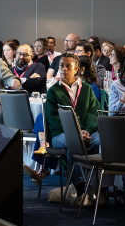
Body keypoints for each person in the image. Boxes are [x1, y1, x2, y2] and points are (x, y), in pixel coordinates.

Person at [43, 54, 101, 197]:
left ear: (76, 69)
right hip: (60, 134)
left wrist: (86, 130)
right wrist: (76, 132)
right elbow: (54, 119)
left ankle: (93, 184)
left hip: (85, 133)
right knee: (73, 141)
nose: (64, 69)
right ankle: (81, 186)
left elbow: (94, 113)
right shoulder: (53, 91)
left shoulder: (87, 89)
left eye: (68, 65)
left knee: (99, 140)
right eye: (61, 65)